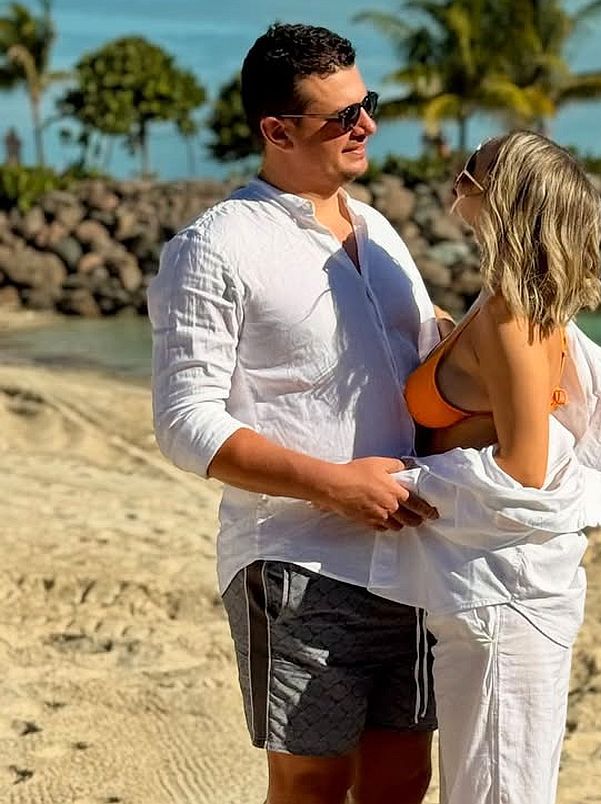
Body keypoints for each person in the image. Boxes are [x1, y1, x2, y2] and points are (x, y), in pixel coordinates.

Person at [147, 23, 447, 804]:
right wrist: (334, 486)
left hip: (413, 553)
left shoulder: (379, 230)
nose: (367, 125)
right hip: (295, 562)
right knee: (311, 783)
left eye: (367, 104)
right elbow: (185, 422)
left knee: (404, 777)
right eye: (341, 116)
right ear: (277, 130)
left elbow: (425, 358)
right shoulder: (214, 246)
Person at [365, 131, 601, 804]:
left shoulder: (512, 317)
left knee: (497, 790)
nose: (458, 174)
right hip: (491, 590)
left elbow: (526, 468)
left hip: (502, 598)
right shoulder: (506, 306)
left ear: (503, 195)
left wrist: (405, 480)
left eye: (473, 166)